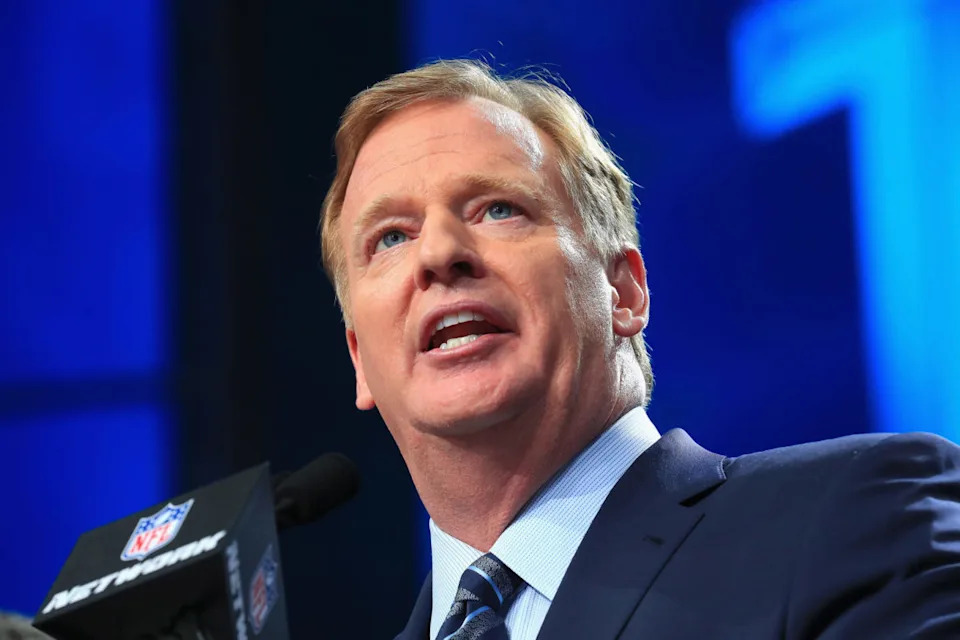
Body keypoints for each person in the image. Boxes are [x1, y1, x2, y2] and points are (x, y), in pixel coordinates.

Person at [318, 59, 960, 639]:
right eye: (391, 238)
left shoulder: (856, 518)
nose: (438, 254)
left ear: (623, 290)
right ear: (359, 359)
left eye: (497, 210)